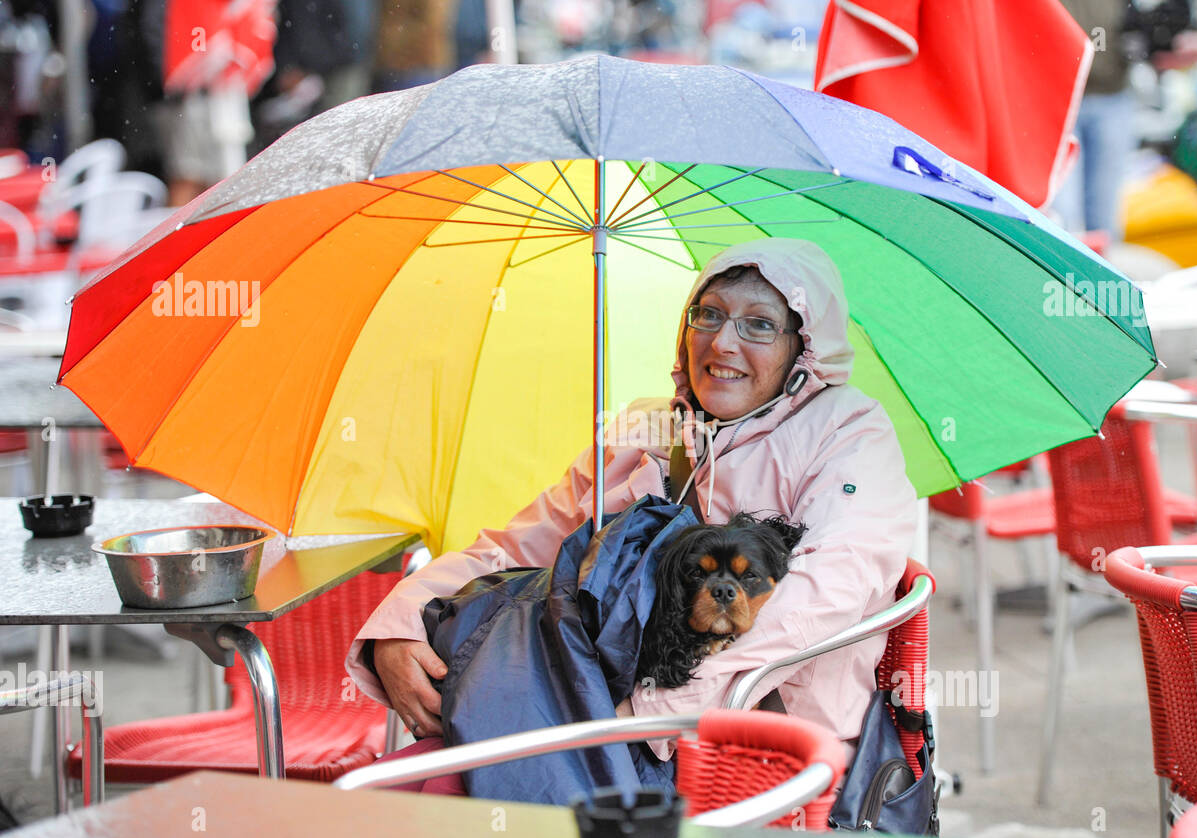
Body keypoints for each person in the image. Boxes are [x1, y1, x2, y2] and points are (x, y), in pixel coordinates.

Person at [344, 236, 918, 769]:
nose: (721, 342)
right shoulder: (646, 426)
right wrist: (401, 623)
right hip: (590, 705)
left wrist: (654, 711)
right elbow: (519, 547)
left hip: (759, 742)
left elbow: (827, 591)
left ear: (803, 353)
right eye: (708, 313)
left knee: (450, 802)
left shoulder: (849, 434)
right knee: (408, 785)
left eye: (760, 325)